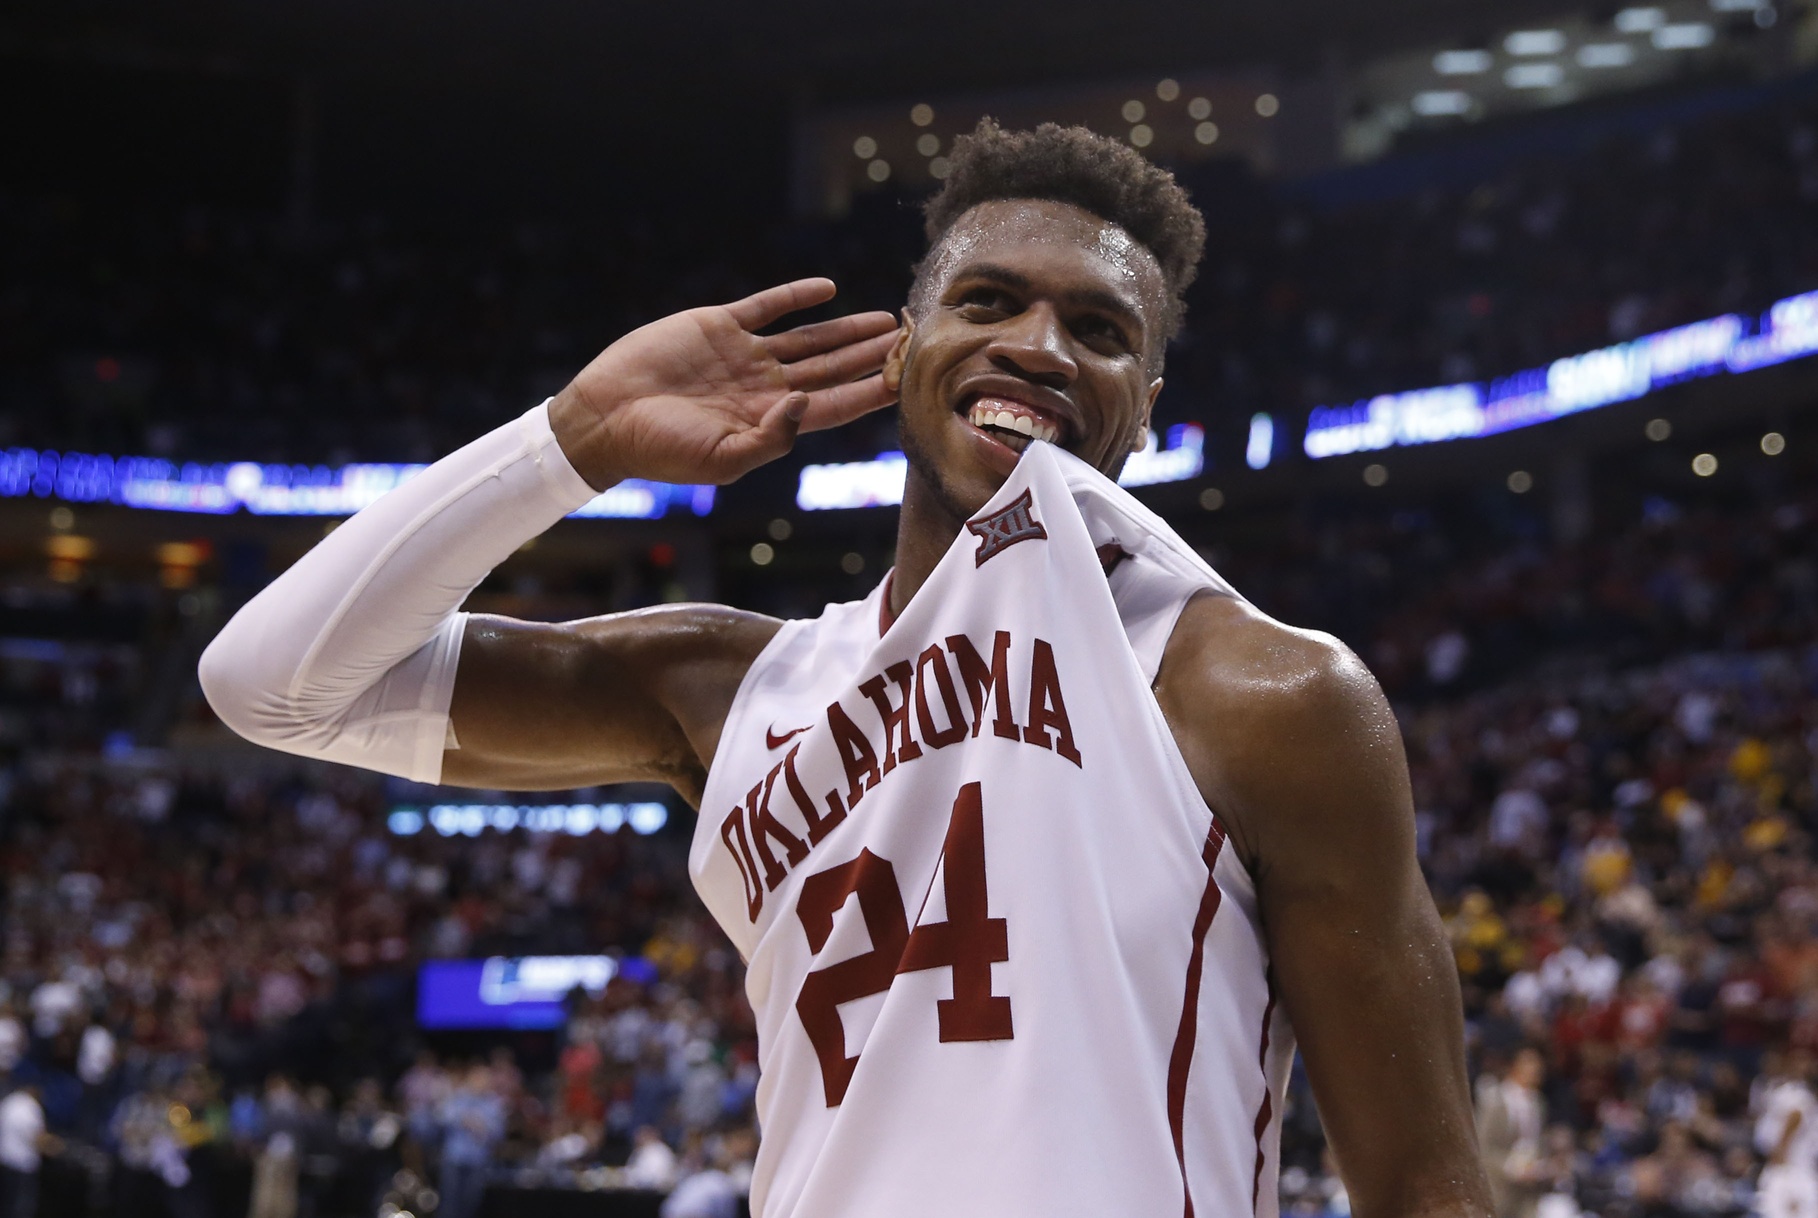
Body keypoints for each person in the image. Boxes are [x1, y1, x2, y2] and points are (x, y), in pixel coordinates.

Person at [200, 120, 1489, 1215]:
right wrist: (572, 443)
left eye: (1098, 330)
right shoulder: (727, 686)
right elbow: (269, 683)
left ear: (1143, 399)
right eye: (989, 301)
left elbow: (1428, 1193)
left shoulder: (1263, 696)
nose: (1040, 345)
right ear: (901, 350)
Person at [1476, 1048, 1547, 1218]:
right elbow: (1481, 1146)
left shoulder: (1538, 1102)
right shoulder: (1495, 1100)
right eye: (1529, 1062)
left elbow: (1536, 1142)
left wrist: (1539, 1164)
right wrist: (1510, 1167)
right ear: (1514, 1066)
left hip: (1528, 1193)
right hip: (1498, 1190)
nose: (1535, 1068)